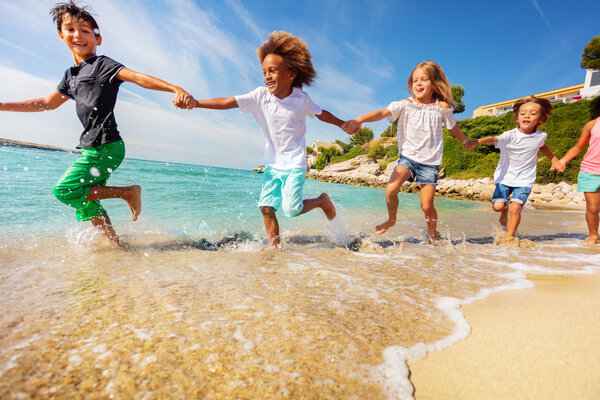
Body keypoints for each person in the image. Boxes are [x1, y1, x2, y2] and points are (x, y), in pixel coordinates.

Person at [0, 1, 194, 244]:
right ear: (61, 35)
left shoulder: (102, 64)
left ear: (97, 38)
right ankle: (114, 246)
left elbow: (137, 78)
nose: (78, 35)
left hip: (106, 147)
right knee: (86, 205)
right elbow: (47, 103)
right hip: (93, 148)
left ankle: (128, 193)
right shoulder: (70, 76)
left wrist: (174, 88)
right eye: (70, 30)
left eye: (85, 30)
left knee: (65, 190)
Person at [185, 31, 352, 247]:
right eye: (264, 72)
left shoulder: (301, 99)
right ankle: (274, 248)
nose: (267, 76)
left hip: (294, 164)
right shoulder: (259, 96)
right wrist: (197, 103)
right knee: (266, 207)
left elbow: (322, 114)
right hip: (273, 164)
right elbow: (228, 101)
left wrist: (341, 123)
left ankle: (322, 201)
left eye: (273, 71)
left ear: (291, 74)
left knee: (291, 210)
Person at [343, 61, 476, 239]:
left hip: (430, 162)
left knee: (427, 206)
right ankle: (391, 220)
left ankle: (432, 235)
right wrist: (360, 119)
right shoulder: (405, 104)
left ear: (435, 83)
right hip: (408, 158)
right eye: (415, 80)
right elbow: (383, 113)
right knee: (391, 189)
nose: (418, 83)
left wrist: (464, 140)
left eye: (424, 79)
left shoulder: (441, 108)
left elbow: (453, 128)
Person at [473, 96, 560, 240]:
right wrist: (476, 142)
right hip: (505, 177)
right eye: (523, 113)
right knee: (498, 207)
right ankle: (504, 211)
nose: (527, 115)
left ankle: (510, 237)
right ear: (517, 118)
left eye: (533, 113)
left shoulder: (541, 136)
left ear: (540, 119)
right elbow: (493, 139)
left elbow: (542, 146)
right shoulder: (510, 135)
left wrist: (554, 159)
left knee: (516, 207)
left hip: (525, 179)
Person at [552, 97, 600, 245]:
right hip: (591, 170)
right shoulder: (592, 124)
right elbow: (578, 147)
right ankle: (593, 236)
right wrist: (562, 161)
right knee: (592, 207)